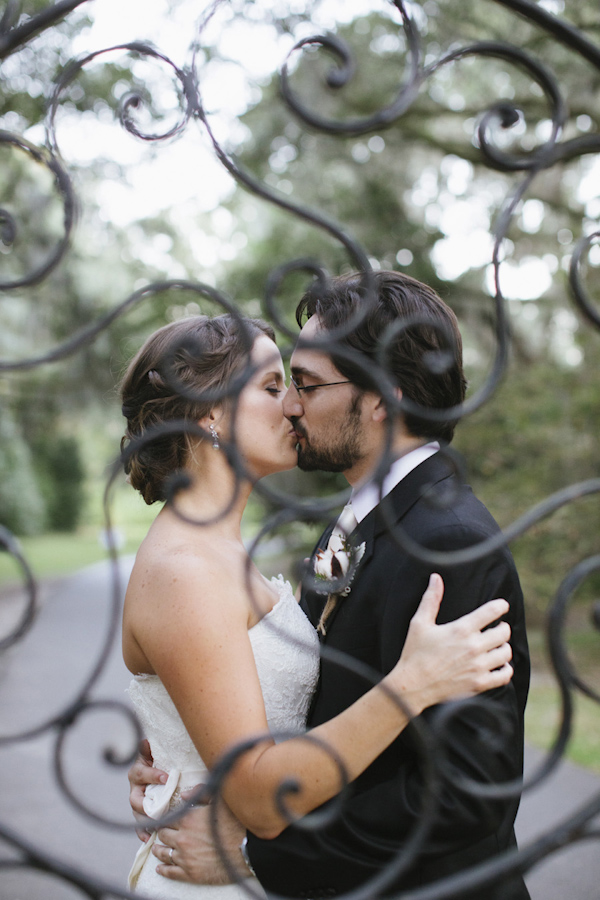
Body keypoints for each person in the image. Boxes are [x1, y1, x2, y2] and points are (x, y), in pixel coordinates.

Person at [131, 272, 531, 900]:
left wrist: (254, 852)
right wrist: (187, 758)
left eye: (305, 385)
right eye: (279, 385)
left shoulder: (447, 541)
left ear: (380, 398)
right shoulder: (354, 524)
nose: (291, 403)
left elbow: (467, 792)